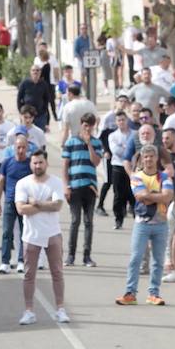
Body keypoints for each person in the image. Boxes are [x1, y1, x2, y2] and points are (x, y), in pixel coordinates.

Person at [115, 145, 175, 306]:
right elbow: (140, 196)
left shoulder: (165, 177)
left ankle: (154, 293)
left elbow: (168, 196)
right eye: (145, 157)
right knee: (135, 258)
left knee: (158, 260)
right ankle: (130, 292)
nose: (148, 159)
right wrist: (158, 196)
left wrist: (150, 196)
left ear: (157, 159)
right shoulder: (137, 177)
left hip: (161, 223)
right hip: (142, 223)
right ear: (142, 159)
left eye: (151, 156)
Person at [14, 150, 69, 325]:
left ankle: (60, 309)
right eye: (35, 163)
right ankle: (29, 311)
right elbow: (21, 209)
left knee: (57, 273)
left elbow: (57, 205)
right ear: (31, 164)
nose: (38, 165)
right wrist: (46, 204)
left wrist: (35, 202)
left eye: (40, 162)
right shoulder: (23, 183)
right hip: (31, 236)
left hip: (52, 233)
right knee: (29, 275)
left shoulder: (56, 182)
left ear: (46, 163)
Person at [62, 112, 102, 268]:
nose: (87, 129)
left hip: (90, 187)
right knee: (74, 221)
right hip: (75, 186)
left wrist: (89, 144)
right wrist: (66, 186)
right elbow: (65, 166)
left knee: (88, 222)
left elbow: (96, 162)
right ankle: (70, 256)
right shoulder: (71, 142)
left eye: (90, 126)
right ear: (81, 124)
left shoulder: (97, 143)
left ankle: (87, 256)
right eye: (85, 125)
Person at [0, 130, 32, 273]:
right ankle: (5, 262)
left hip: (25, 203)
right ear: (14, 147)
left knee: (25, 233)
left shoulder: (30, 164)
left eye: (23, 147)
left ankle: (22, 261)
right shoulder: (7, 163)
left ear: (27, 148)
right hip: (10, 202)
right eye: (18, 147)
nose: (21, 150)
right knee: (6, 233)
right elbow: (0, 182)